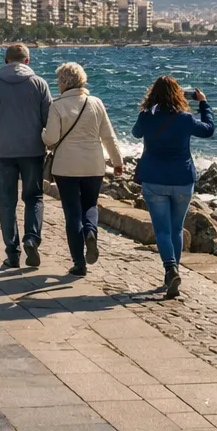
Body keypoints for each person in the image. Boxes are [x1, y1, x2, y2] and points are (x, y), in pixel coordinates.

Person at [0, 44, 53, 269]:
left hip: (3, 151)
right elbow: (50, 121)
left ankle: (13, 253)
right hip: (32, 151)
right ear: (27, 61)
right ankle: (31, 238)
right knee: (34, 198)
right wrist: (52, 145)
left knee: (7, 203)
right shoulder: (39, 84)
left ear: (6, 60)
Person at [132, 76, 214, 299]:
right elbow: (208, 130)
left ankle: (170, 269)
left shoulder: (146, 116)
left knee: (162, 230)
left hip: (154, 179)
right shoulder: (185, 118)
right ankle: (173, 271)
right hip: (182, 180)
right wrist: (203, 103)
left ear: (152, 94)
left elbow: (136, 133)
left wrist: (148, 113)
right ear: (178, 95)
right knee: (176, 228)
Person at [43, 63, 124, 277]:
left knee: (72, 213)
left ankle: (79, 263)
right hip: (93, 165)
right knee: (90, 204)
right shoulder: (95, 103)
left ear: (63, 82)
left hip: (66, 167)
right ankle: (91, 231)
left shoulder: (57, 105)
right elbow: (108, 135)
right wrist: (117, 162)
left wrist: (42, 135)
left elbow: (50, 138)